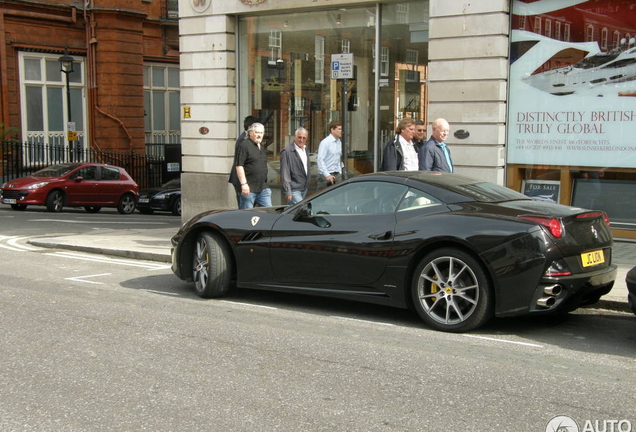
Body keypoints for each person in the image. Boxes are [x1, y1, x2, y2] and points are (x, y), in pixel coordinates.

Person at [235, 122, 272, 208]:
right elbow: (239, 166)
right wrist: (244, 184)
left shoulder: (261, 146)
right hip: (249, 189)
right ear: (250, 133)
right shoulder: (244, 145)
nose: (259, 135)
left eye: (261, 133)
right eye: (257, 132)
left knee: (269, 214)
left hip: (263, 188)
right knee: (247, 216)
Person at [229, 115, 259, 205]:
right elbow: (241, 163)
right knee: (244, 206)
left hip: (249, 179)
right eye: (255, 129)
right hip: (241, 180)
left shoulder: (248, 139)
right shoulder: (243, 140)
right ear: (250, 128)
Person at [280, 127, 311, 204]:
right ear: (295, 137)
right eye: (299, 137)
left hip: (304, 187)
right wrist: (288, 191)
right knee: (302, 208)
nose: (301, 140)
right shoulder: (287, 151)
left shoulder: (305, 149)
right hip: (293, 189)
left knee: (293, 212)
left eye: (304, 138)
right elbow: (285, 172)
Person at [317, 120, 342, 190]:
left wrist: (340, 172)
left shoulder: (339, 142)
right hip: (326, 176)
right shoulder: (325, 142)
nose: (341, 131)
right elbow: (320, 159)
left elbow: (338, 158)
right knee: (323, 199)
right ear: (332, 130)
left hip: (337, 175)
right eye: (339, 129)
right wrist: (327, 175)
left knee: (339, 198)